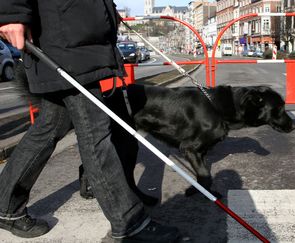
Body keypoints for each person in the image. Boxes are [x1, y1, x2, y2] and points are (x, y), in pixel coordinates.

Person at [0, 0, 180, 241]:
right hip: (65, 42)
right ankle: (129, 222)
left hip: (72, 38)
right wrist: (10, 12)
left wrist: (106, 8)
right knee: (95, 132)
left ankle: (6, 205)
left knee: (53, 124)